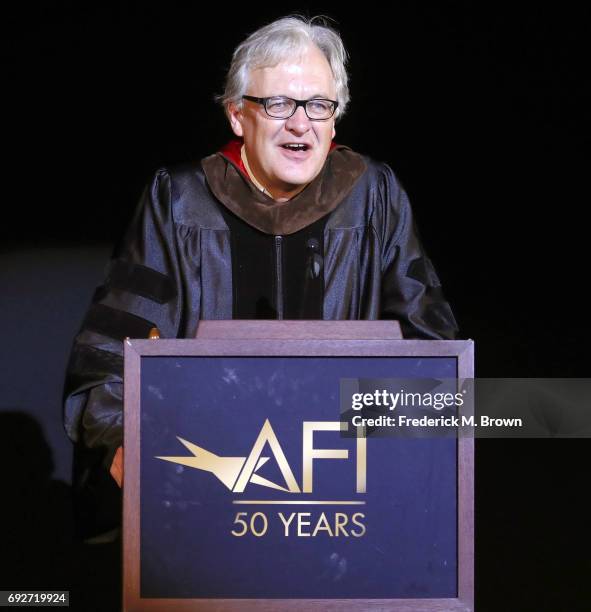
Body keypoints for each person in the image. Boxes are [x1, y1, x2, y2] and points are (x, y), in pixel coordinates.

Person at [63, 14, 459, 540]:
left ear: (335, 120)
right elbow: (111, 349)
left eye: (319, 105)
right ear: (236, 115)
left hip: (338, 493)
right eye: (278, 105)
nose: (302, 124)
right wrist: (122, 443)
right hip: (207, 482)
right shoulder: (178, 201)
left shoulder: (374, 197)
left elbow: (432, 349)